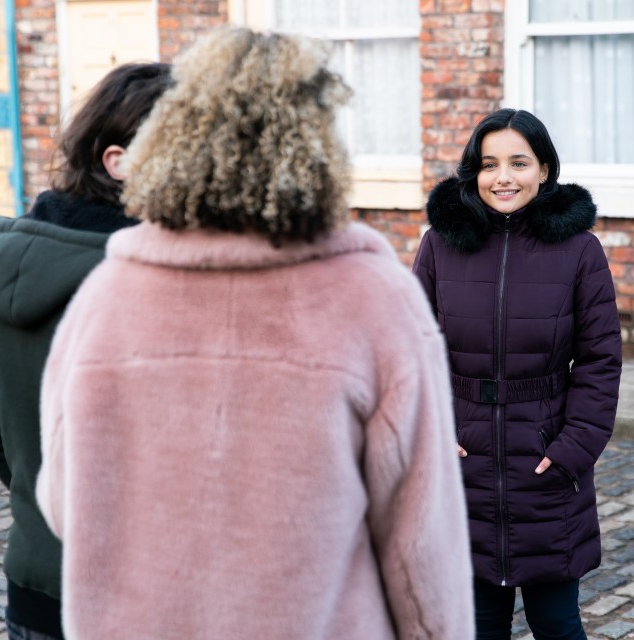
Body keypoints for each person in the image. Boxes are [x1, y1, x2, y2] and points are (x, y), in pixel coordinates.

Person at [34, 26, 474, 640]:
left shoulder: (106, 296)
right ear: (316, 144)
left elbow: (62, 503)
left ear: (174, 136)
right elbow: (421, 542)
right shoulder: (374, 300)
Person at [0, 61, 172, 640]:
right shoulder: (147, 277)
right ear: (117, 161)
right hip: (134, 591)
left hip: (33, 582)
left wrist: (44, 499)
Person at [412, 108, 622, 640]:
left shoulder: (579, 251)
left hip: (546, 461)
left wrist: (573, 448)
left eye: (518, 162)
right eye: (489, 164)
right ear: (473, 172)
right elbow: (413, 348)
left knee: (557, 622)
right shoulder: (440, 244)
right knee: (478, 625)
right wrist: (434, 431)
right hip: (465, 462)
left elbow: (600, 361)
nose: (502, 177)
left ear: (545, 169)